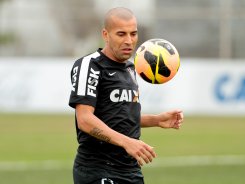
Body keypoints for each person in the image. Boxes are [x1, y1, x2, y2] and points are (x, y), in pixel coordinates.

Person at [69, 7, 183, 184]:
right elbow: (84, 119)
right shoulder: (90, 66)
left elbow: (120, 117)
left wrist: (157, 120)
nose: (129, 41)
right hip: (98, 168)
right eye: (121, 34)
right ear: (106, 35)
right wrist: (127, 142)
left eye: (133, 34)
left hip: (130, 169)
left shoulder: (131, 68)